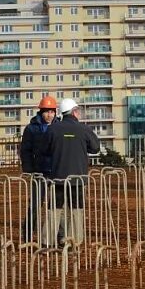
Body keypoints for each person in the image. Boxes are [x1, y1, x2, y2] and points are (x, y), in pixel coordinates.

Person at [43, 97, 100, 245]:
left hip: (58, 177)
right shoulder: (84, 129)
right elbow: (95, 148)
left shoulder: (52, 129)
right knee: (76, 209)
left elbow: (45, 150)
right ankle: (75, 241)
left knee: (54, 209)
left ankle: (47, 241)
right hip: (78, 178)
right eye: (78, 111)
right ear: (74, 112)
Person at [19, 95, 58, 241]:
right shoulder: (31, 128)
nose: (50, 114)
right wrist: (28, 169)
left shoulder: (58, 127)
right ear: (41, 112)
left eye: (52, 111)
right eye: (47, 111)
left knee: (56, 206)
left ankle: (55, 236)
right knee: (35, 205)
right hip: (39, 171)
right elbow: (25, 150)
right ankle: (28, 235)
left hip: (55, 171)